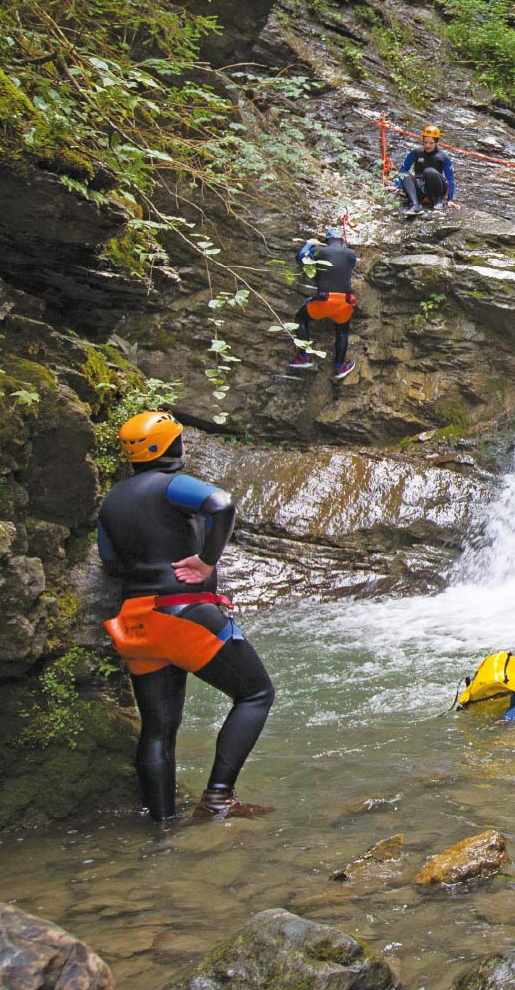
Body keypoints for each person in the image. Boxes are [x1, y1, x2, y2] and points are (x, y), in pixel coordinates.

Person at [97, 411, 275, 823]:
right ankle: (218, 798)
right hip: (183, 612)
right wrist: (205, 560)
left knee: (158, 728)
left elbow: (110, 563)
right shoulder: (172, 484)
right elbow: (221, 503)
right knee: (255, 694)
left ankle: (160, 826)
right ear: (166, 447)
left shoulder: (113, 499)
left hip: (136, 623)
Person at [290, 226, 357, 380]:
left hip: (324, 300)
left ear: (327, 240)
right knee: (342, 332)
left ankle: (304, 356)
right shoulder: (351, 254)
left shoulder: (320, 251)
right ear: (342, 241)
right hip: (345, 302)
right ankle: (340, 367)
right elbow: (351, 266)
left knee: (300, 319)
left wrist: (309, 243)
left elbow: (301, 257)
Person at [395, 124, 455, 216]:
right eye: (425, 142)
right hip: (421, 186)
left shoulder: (443, 157)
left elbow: (450, 179)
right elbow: (404, 168)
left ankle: (438, 201)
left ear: (436, 142)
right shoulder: (416, 152)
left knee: (429, 171)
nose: (427, 145)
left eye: (431, 143)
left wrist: (450, 199)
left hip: (436, 186)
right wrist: (397, 185)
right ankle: (415, 205)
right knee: (406, 175)